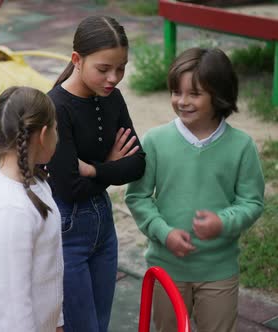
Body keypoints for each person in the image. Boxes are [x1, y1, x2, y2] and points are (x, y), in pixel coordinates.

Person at [125, 47, 265, 332]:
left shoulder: (241, 146)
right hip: (167, 268)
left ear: (220, 95)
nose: (182, 101)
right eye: (177, 92)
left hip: (219, 271)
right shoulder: (155, 141)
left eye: (194, 94)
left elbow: (252, 202)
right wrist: (165, 233)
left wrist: (222, 222)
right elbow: (138, 197)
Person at [46, 15, 146, 332]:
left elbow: (139, 163)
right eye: (104, 69)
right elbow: (69, 187)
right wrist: (113, 166)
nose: (114, 77)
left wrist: (95, 169)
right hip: (68, 231)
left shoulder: (111, 98)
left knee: (99, 325)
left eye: (121, 68)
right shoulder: (57, 107)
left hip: (104, 226)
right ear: (77, 59)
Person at [0, 86, 64, 332]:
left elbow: (47, 272)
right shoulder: (12, 211)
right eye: (56, 129)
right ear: (43, 134)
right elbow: (13, 307)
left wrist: (56, 323)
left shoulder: (36, 183)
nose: (57, 136)